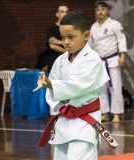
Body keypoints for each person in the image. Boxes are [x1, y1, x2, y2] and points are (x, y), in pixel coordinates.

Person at [37, 11, 115, 160]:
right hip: (64, 120)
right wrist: (52, 88)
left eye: (71, 37)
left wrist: (53, 85)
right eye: (63, 38)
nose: (65, 42)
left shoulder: (92, 60)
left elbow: (78, 86)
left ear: (86, 36)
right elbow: (54, 91)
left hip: (84, 122)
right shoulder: (60, 60)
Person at [89, 1, 127, 123]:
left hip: (112, 60)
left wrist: (122, 56)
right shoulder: (94, 27)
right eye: (98, 10)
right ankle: (104, 113)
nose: (100, 12)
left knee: (115, 87)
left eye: (103, 9)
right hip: (99, 61)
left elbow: (121, 40)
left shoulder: (115, 24)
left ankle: (116, 113)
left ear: (108, 11)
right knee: (101, 89)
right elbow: (90, 45)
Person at [45, 3, 69, 72]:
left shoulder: (71, 29)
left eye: (66, 12)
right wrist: (67, 51)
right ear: (57, 14)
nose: (64, 14)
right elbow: (52, 46)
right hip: (54, 63)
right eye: (62, 12)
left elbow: (74, 45)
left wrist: (59, 42)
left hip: (68, 63)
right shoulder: (52, 28)